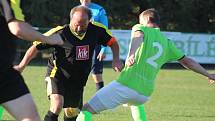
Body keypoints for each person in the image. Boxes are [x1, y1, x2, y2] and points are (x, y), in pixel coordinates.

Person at [76, 8, 215, 121]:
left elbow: (138, 36)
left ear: (147, 20)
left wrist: (131, 54)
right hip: (145, 93)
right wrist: (208, 74)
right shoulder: (167, 43)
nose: (139, 23)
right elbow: (187, 61)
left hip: (127, 85)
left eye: (140, 21)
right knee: (134, 104)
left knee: (86, 110)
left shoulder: (141, 28)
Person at [15, 5, 123, 121]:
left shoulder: (97, 30)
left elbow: (113, 42)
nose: (79, 28)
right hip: (57, 74)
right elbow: (35, 47)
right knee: (57, 104)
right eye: (76, 24)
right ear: (71, 19)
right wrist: (22, 66)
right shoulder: (61, 32)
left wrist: (116, 59)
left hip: (78, 79)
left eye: (83, 25)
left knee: (71, 113)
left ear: (89, 21)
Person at [0, 0, 62, 121]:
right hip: (4, 72)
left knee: (31, 117)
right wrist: (48, 39)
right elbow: (17, 28)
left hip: (5, 73)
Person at [80, 0, 108, 91]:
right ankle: (75, 102)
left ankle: (100, 98)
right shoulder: (76, 10)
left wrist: (104, 49)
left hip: (96, 46)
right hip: (80, 45)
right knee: (78, 73)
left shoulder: (99, 10)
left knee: (96, 74)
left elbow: (105, 30)